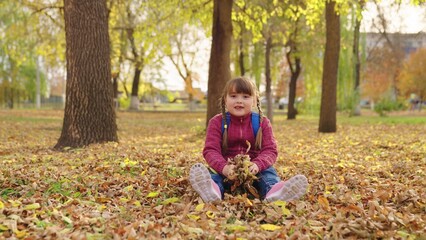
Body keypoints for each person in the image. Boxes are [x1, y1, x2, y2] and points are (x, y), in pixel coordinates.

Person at [189, 76, 308, 203]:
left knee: (268, 175)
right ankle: (212, 191)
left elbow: (270, 150)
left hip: (255, 170)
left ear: (255, 100)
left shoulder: (262, 123)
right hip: (226, 170)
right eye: (233, 96)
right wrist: (224, 168)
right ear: (225, 99)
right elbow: (211, 150)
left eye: (245, 97)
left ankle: (275, 192)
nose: (239, 101)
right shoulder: (217, 122)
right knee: (214, 176)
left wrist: (257, 164)